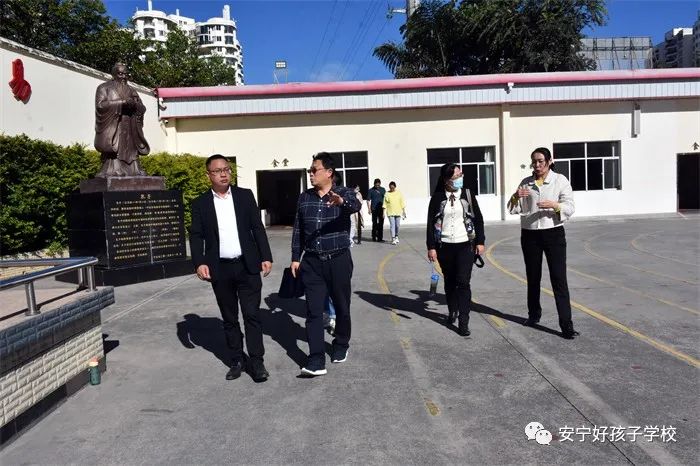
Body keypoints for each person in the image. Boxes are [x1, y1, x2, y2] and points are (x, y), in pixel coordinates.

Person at [190, 154, 274, 382]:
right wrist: (199, 262)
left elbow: (257, 228)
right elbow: (196, 235)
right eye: (218, 171)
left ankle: (257, 362)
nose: (224, 174)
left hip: (247, 266)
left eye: (226, 169)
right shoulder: (200, 203)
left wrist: (265, 256)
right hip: (220, 269)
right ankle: (236, 360)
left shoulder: (244, 196)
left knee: (252, 315)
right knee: (229, 318)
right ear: (208, 175)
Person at [291, 152, 361, 377]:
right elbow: (298, 229)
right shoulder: (305, 197)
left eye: (314, 170)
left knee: (341, 306)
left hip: (338, 259)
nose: (310, 174)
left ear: (329, 172)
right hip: (312, 262)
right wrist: (295, 257)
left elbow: (356, 205)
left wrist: (342, 202)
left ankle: (341, 343)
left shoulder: (344, 192)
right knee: (313, 312)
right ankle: (316, 359)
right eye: (309, 170)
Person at [508, 147, 579, 339]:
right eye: (534, 161)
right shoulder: (526, 182)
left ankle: (566, 325)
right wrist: (515, 197)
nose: (537, 165)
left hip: (553, 234)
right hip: (530, 234)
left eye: (540, 161)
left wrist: (555, 205)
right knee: (533, 277)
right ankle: (533, 315)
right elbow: (513, 209)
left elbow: (570, 206)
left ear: (549, 161)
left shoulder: (560, 180)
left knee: (559, 279)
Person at [426, 164, 485, 336]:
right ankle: (453, 310)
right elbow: (430, 223)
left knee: (463, 282)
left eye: (461, 174)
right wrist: (431, 247)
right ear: (446, 180)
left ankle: (463, 321)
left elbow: (478, 219)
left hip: (465, 245)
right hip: (444, 246)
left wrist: (480, 241)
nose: (460, 178)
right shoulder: (437, 197)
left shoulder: (467, 194)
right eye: (456, 176)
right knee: (450, 282)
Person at [94, 63, 150, 177]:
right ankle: (113, 169)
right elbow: (100, 106)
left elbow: (142, 108)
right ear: (114, 74)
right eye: (120, 74)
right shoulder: (104, 88)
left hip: (130, 125)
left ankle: (135, 169)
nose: (123, 77)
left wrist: (135, 105)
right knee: (116, 147)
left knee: (131, 148)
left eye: (125, 74)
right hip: (114, 124)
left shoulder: (132, 90)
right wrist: (121, 103)